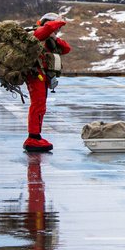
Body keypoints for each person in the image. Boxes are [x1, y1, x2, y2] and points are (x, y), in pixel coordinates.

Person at [24, 12, 71, 153]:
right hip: (35, 74)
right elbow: (47, 29)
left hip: (43, 75)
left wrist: (55, 38)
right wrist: (60, 21)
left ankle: (36, 136)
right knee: (38, 105)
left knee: (40, 106)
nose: (57, 30)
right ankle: (33, 138)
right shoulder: (38, 33)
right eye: (57, 27)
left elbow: (66, 48)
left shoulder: (49, 38)